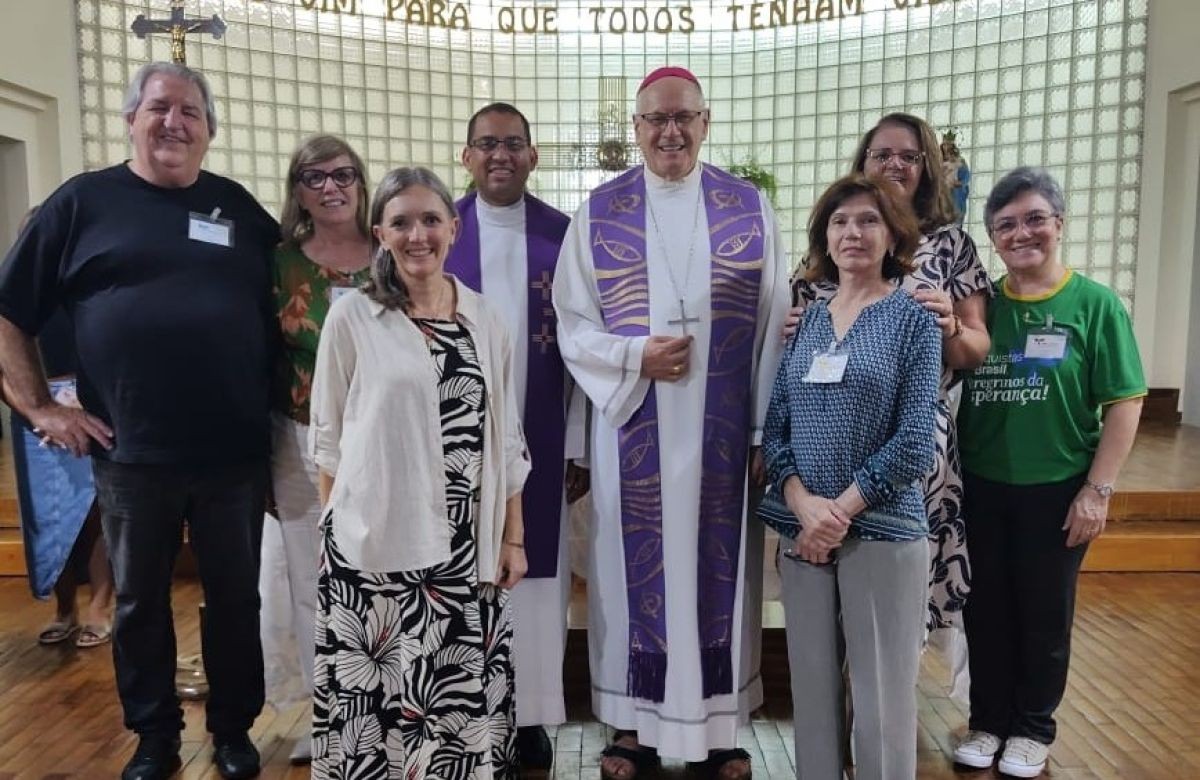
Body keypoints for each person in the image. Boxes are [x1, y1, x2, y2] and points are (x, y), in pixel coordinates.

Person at [0, 62, 279, 780]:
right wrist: (37, 406)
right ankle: (154, 736)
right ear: (132, 118)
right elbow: (9, 311)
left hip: (234, 453)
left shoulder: (240, 211)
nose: (173, 123)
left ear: (210, 131)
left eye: (190, 111)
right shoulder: (81, 204)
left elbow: (293, 309)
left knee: (235, 601)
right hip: (131, 454)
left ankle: (233, 728)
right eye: (158, 108)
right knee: (138, 604)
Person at [553, 66, 790, 780]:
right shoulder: (601, 212)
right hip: (636, 434)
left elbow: (774, 325)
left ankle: (719, 728)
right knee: (632, 582)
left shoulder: (747, 209)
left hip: (723, 437)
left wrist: (758, 435)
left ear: (706, 121)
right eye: (656, 119)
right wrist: (633, 356)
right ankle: (630, 726)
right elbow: (571, 322)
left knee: (722, 578)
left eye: (684, 116)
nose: (670, 131)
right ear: (636, 129)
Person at [308, 166, 531, 778]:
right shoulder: (353, 317)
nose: (417, 235)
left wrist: (512, 537)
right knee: (378, 706)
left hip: (468, 547)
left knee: (453, 703)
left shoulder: (486, 318)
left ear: (453, 228)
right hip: (376, 548)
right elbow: (326, 439)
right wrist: (340, 531)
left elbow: (507, 438)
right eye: (400, 222)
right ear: (379, 232)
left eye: (430, 219)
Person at [953, 168, 1145, 778]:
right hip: (980, 484)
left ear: (1058, 225)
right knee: (984, 609)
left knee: (1043, 611)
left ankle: (1033, 727)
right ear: (992, 237)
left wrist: (1098, 489)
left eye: (1035, 219)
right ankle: (988, 721)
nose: (1021, 233)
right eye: (1005, 225)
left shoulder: (1094, 305)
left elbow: (1124, 401)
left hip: (1057, 488)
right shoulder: (982, 305)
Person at [762, 173, 941, 779]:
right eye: (839, 222)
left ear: (892, 235)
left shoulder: (912, 320)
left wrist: (837, 512)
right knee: (811, 694)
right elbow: (777, 428)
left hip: (883, 531)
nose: (852, 233)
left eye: (867, 220)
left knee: (882, 697)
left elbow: (917, 439)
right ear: (824, 238)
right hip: (803, 533)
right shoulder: (805, 322)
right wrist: (804, 506)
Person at [792, 112, 992, 639]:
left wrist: (949, 327)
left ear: (928, 166)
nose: (894, 165)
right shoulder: (834, 237)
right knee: (825, 599)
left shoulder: (950, 245)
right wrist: (795, 324)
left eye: (908, 155)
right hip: (825, 441)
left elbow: (976, 345)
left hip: (907, 439)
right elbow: (794, 333)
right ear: (864, 160)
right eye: (881, 154)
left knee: (892, 608)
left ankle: (885, 698)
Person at [444, 101, 588, 772]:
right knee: (460, 576)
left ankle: (529, 714)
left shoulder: (565, 237)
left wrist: (578, 443)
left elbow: (586, 351)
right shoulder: (437, 230)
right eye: (486, 144)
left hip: (542, 437)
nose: (499, 154)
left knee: (535, 582)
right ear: (466, 157)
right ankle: (465, 707)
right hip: (453, 444)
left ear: (532, 156)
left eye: (513, 144)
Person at [262, 134, 372, 764]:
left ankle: (385, 709)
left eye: (341, 174)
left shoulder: (393, 248)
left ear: (360, 180)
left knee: (381, 575)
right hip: (300, 438)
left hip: (381, 443)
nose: (329, 188)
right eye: (313, 177)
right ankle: (331, 718)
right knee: (312, 579)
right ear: (297, 189)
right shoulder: (279, 264)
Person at [3, 208, 113, 650]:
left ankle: (101, 608)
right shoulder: (12, 291)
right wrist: (37, 411)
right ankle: (63, 609)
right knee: (49, 517)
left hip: (94, 409)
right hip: (37, 420)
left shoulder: (91, 284)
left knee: (99, 514)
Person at [941, 130, 971, 224]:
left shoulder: (960, 161)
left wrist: (960, 183)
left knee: (956, 215)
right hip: (942, 193)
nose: (946, 147)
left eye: (948, 145)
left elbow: (966, 174)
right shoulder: (938, 161)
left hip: (956, 193)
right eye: (945, 145)